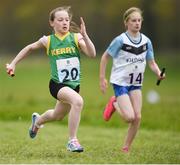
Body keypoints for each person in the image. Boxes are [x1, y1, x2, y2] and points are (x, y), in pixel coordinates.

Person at [6, 6, 96, 152]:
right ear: (52, 23)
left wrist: (85, 35)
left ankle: (37, 121)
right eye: (60, 20)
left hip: (73, 86)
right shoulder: (48, 41)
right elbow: (29, 48)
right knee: (78, 101)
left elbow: (92, 54)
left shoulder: (76, 37)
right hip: (57, 85)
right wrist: (13, 64)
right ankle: (72, 141)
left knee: (57, 115)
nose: (64, 22)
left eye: (67, 19)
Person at [99, 7, 165, 153]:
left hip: (136, 83)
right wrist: (102, 78)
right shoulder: (120, 40)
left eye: (139, 20)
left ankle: (126, 147)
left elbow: (152, 63)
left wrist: (158, 73)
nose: (137, 23)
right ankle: (115, 102)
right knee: (129, 117)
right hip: (120, 82)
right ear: (126, 23)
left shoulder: (146, 41)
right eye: (133, 21)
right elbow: (105, 57)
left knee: (137, 117)